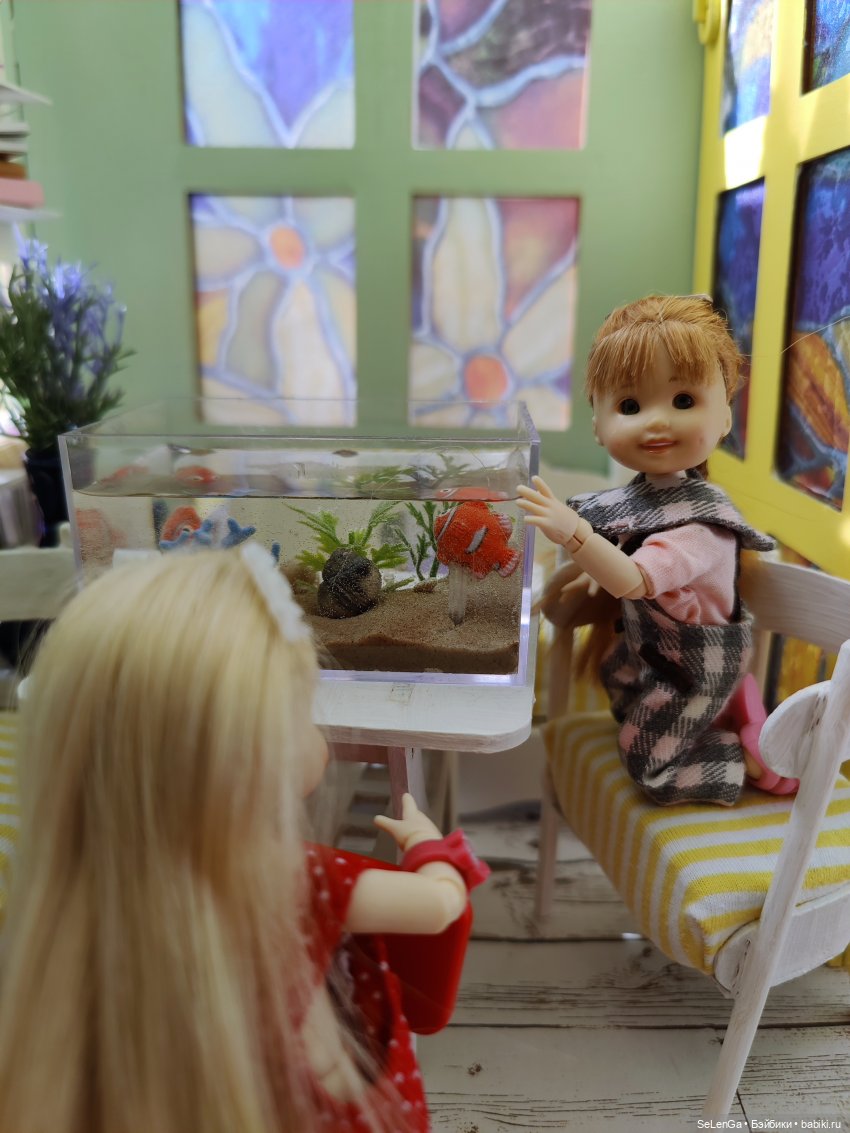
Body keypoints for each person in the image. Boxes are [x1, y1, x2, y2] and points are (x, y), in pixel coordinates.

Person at [0, 545, 489, 1133]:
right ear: (256, 754)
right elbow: (438, 905)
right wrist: (428, 848)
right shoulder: (298, 879)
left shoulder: (79, 920)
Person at [518, 294, 795, 806]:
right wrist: (572, 574)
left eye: (683, 400)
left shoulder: (699, 527)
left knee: (648, 766)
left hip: (697, 668)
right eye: (630, 406)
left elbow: (633, 580)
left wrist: (573, 534)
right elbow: (613, 554)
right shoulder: (638, 500)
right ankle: (715, 721)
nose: (657, 422)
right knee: (619, 693)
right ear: (598, 426)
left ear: (725, 417)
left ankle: (744, 756)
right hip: (652, 655)